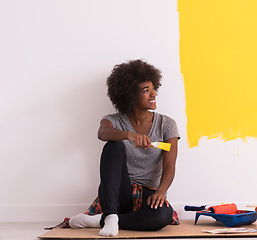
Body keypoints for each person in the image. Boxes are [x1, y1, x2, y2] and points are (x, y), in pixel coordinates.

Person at [68, 59, 180, 237]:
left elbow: (170, 165)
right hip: (121, 193)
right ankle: (111, 214)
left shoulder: (167, 124)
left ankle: (102, 220)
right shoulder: (113, 120)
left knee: (162, 217)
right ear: (130, 95)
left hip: (148, 193)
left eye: (153, 88)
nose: (153, 94)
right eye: (146, 91)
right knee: (113, 145)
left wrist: (160, 191)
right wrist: (129, 135)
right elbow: (102, 133)